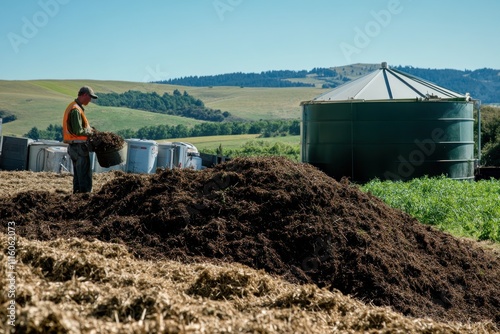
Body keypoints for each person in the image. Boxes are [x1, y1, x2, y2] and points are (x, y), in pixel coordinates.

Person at [62, 86, 97, 193]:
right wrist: (91, 132)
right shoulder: (76, 110)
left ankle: (76, 197)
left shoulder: (73, 107)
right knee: (84, 176)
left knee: (78, 175)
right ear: (84, 95)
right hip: (79, 147)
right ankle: (84, 198)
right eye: (90, 97)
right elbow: (78, 131)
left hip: (74, 147)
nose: (90, 100)